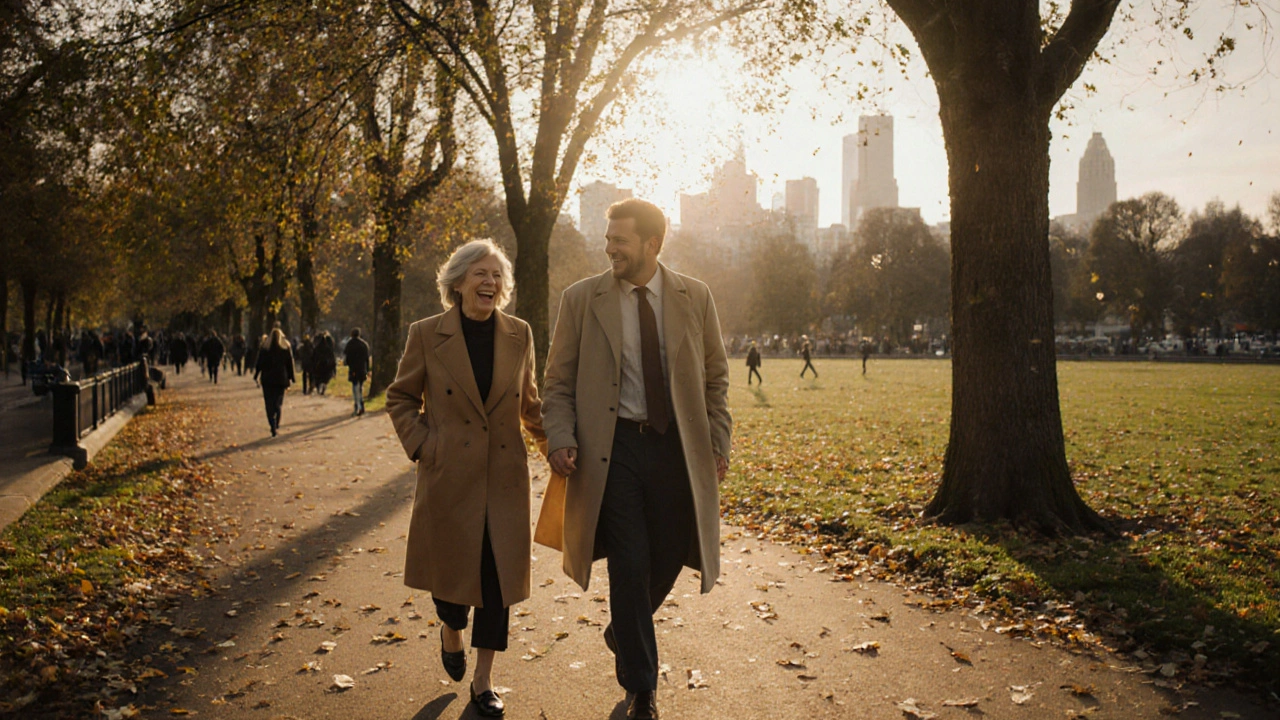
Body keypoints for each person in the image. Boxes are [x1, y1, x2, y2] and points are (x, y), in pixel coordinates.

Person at [540, 198, 732, 720]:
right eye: (608, 239)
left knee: (670, 552)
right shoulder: (583, 299)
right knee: (629, 560)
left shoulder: (696, 295)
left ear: (652, 243)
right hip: (614, 449)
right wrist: (559, 436)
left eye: (620, 240)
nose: (609, 248)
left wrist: (719, 442)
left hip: (677, 449)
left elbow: (716, 378)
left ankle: (623, 629)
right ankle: (641, 687)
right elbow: (556, 382)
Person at [386, 239, 546, 718]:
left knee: (496, 584)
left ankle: (484, 680)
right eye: (480, 273)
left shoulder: (520, 334)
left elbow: (531, 405)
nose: (490, 283)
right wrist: (424, 445)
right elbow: (400, 398)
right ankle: (449, 629)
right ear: (457, 282)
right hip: (449, 479)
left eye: (497, 275)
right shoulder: (426, 333)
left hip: (503, 480)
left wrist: (555, 446)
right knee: (452, 585)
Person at [253, 328, 294, 436]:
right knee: (278, 402)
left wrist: (256, 375)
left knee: (268, 403)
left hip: (267, 379)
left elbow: (259, 363)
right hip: (281, 379)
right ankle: (277, 421)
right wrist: (291, 377)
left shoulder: (265, 349)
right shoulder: (285, 348)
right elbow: (290, 364)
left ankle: (272, 423)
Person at [343, 328, 370, 416]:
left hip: (353, 369)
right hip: (362, 369)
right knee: (360, 387)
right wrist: (368, 369)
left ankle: (357, 406)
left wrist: (347, 363)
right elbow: (367, 359)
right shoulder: (364, 344)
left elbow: (346, 359)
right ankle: (361, 405)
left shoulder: (349, 344)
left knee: (355, 388)